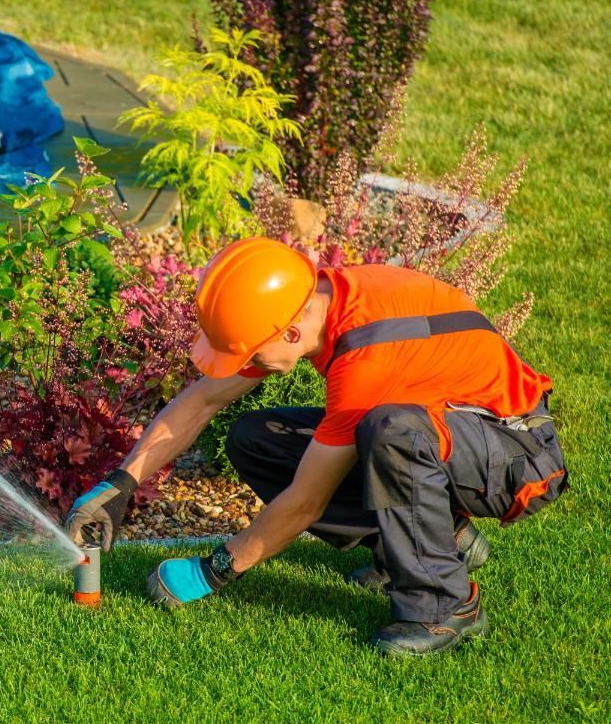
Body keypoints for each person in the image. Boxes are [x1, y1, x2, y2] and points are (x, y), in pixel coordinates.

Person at [64, 236, 567, 655]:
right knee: (257, 440)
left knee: (391, 432)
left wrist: (216, 569)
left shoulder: (365, 356)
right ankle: (441, 540)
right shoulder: (314, 300)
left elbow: (305, 502)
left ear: (290, 330)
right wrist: (123, 482)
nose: (244, 362)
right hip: (454, 434)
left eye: (248, 350)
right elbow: (202, 401)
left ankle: (445, 607)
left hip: (517, 457)